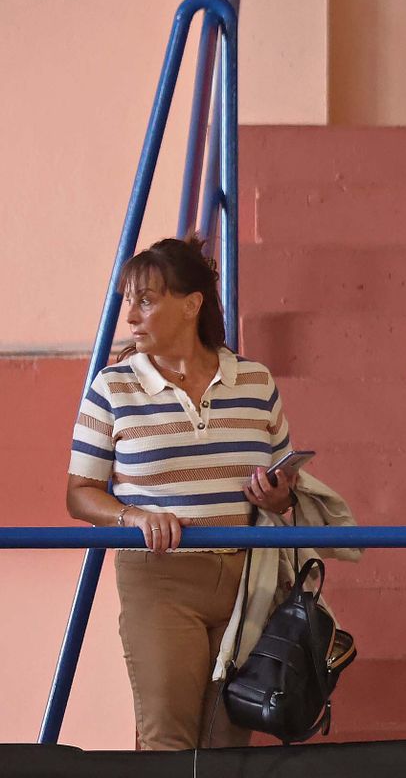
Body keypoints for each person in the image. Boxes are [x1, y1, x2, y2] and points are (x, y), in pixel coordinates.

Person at [67, 237, 298, 750]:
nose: (130, 315)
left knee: (228, 741)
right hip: (160, 578)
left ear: (192, 304)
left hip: (246, 575)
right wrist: (131, 517)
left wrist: (276, 496)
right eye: (129, 300)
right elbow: (80, 493)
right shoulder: (112, 387)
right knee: (166, 739)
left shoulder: (256, 381)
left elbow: (286, 489)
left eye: (145, 300)